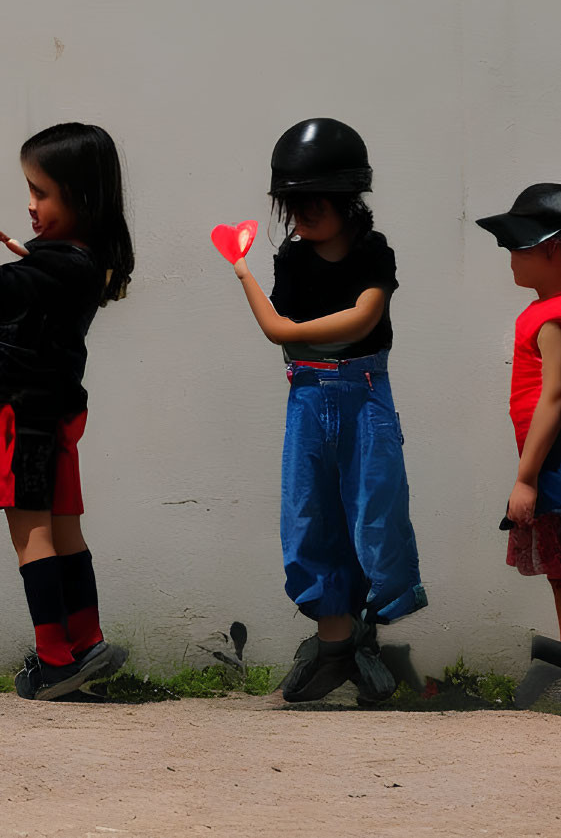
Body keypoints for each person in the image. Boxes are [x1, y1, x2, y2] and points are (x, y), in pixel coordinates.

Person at [0, 122, 134, 700]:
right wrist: (34, 250)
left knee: (31, 533)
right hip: (60, 413)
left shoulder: (58, 266)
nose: (30, 203)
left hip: (26, 413)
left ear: (80, 197)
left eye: (41, 192)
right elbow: (33, 282)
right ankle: (86, 642)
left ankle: (54, 659)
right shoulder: (85, 260)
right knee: (65, 529)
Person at [225, 118, 425, 705]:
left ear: (346, 199)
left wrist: (295, 331)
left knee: (373, 515)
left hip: (365, 398)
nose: (302, 216)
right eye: (293, 205)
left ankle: (359, 632)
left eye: (314, 203)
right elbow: (280, 336)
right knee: (309, 516)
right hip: (309, 398)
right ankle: (335, 642)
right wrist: (247, 275)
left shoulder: (373, 251)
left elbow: (360, 319)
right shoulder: (292, 260)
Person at [475, 185, 561, 689]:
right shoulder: (542, 310)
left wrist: (525, 479)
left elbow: (555, 397)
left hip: (553, 465)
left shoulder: (553, 315)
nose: (509, 255)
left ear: (553, 248)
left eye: (519, 245)